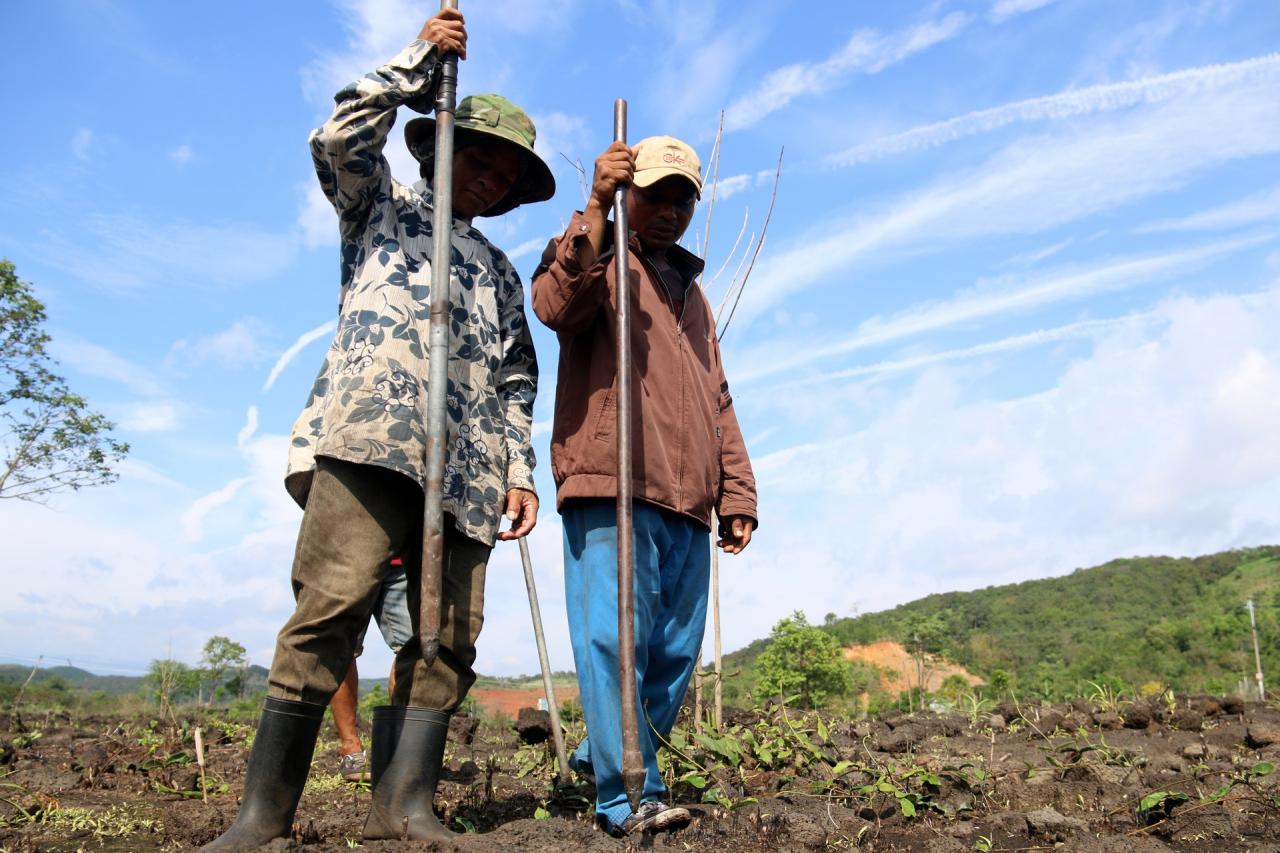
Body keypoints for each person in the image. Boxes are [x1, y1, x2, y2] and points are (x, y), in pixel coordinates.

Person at [203, 8, 554, 848]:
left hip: (467, 475)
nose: (492, 180)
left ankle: (403, 807)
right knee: (329, 607)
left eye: (507, 175)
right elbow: (337, 137)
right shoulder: (381, 207)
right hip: (372, 442)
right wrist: (420, 62)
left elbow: (515, 379)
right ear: (439, 147)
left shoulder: (497, 270)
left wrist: (519, 470)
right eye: (481, 159)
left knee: (446, 639)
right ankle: (264, 816)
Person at [530, 135, 758, 837]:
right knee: (614, 642)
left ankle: (624, 761)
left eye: (683, 198)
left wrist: (737, 489)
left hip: (687, 496)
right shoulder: (600, 254)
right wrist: (595, 206)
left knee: (673, 654)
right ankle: (625, 793)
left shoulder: (693, 294)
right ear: (628, 194)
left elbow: (716, 395)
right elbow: (554, 303)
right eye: (655, 194)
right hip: (614, 482)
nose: (670, 210)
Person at [330, 559, 410, 783]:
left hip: (406, 557)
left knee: (413, 649)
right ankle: (351, 749)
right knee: (342, 646)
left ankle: (398, 750)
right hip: (351, 554)